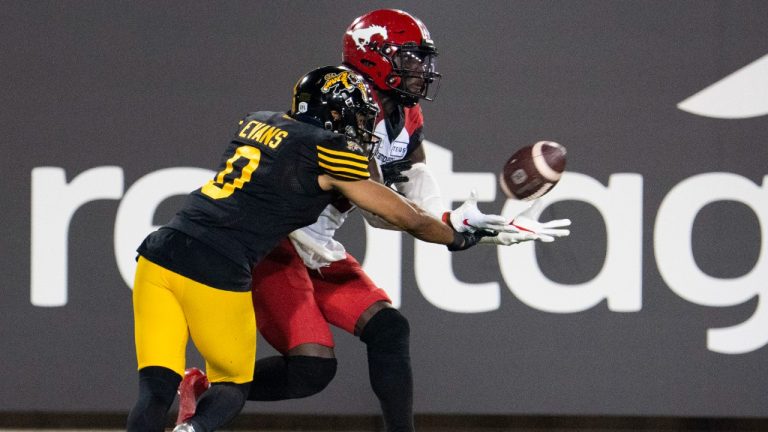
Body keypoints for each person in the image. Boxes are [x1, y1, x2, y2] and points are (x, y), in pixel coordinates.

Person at [176, 9, 571, 432]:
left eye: (423, 59)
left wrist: (455, 218)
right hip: (280, 241)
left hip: (317, 244)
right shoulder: (345, 103)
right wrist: (455, 232)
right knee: (312, 367)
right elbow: (380, 209)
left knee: (389, 329)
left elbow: (413, 174)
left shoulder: (404, 111)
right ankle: (205, 399)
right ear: (372, 55)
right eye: (410, 57)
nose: (421, 69)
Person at [127, 65, 510, 432]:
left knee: (155, 389)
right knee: (233, 386)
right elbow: (402, 215)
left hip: (158, 252)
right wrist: (458, 236)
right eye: (357, 119)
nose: (362, 130)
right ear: (334, 115)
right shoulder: (329, 150)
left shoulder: (257, 121)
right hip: (224, 264)